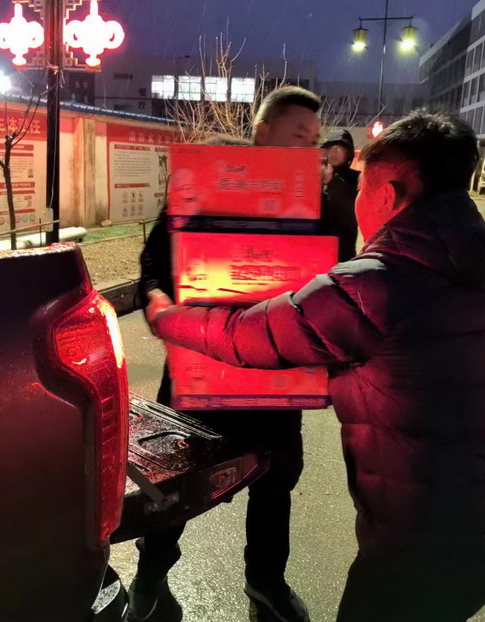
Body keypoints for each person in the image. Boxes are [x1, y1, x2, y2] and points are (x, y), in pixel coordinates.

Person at [147, 111, 485, 622]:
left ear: (387, 195)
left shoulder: (376, 282)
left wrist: (165, 317)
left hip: (423, 542)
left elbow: (250, 336)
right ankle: (156, 579)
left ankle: (263, 583)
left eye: (362, 186)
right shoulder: (480, 268)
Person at [132, 86, 322, 622]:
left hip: (275, 377)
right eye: (298, 135)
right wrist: (156, 299)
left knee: (275, 483)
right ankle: (150, 580)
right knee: (173, 486)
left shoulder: (314, 202)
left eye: (314, 141)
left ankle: (266, 583)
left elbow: (334, 277)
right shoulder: (208, 178)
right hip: (200, 371)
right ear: (263, 133)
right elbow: (154, 261)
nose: (307, 149)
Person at [321, 129, 360, 262]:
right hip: (317, 245)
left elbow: (348, 208)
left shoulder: (356, 178)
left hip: (343, 249)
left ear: (348, 153)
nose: (333, 153)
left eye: (339, 149)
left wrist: (331, 182)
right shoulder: (314, 175)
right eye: (330, 149)